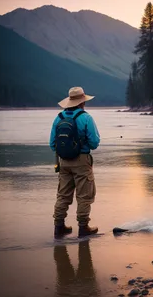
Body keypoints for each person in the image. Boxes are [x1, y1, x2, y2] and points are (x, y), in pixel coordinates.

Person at [50, 87, 100, 238]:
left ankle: (59, 227)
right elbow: (94, 143)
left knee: (63, 195)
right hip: (82, 161)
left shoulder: (58, 117)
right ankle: (83, 228)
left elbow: (53, 144)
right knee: (84, 196)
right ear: (82, 102)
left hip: (63, 161)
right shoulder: (86, 118)